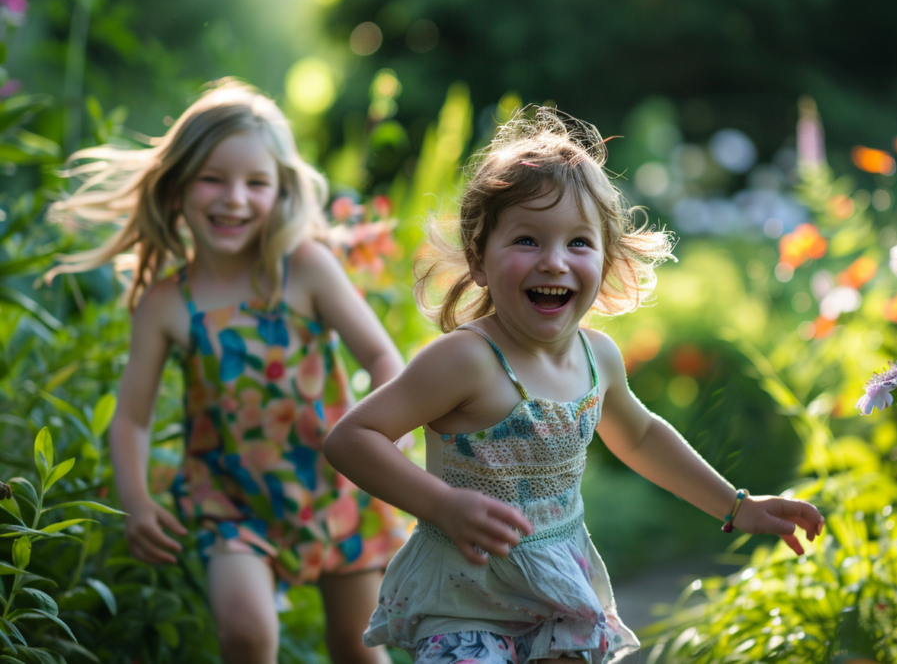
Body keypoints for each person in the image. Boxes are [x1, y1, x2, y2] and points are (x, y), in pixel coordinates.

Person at [322, 107, 826, 664]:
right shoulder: (466, 359)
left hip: (557, 593)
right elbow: (353, 437)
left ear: (606, 259)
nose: (554, 262)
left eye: (579, 244)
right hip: (465, 602)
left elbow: (640, 438)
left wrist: (737, 505)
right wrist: (442, 505)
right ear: (479, 258)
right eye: (528, 241)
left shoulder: (598, 358)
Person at [48, 80, 409, 664]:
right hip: (229, 501)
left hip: (336, 485)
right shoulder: (167, 302)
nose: (234, 198)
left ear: (281, 190)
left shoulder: (306, 267)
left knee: (357, 646)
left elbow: (382, 356)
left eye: (256, 183)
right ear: (178, 185)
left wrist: (392, 428)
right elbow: (133, 418)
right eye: (213, 178)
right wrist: (137, 503)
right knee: (246, 637)